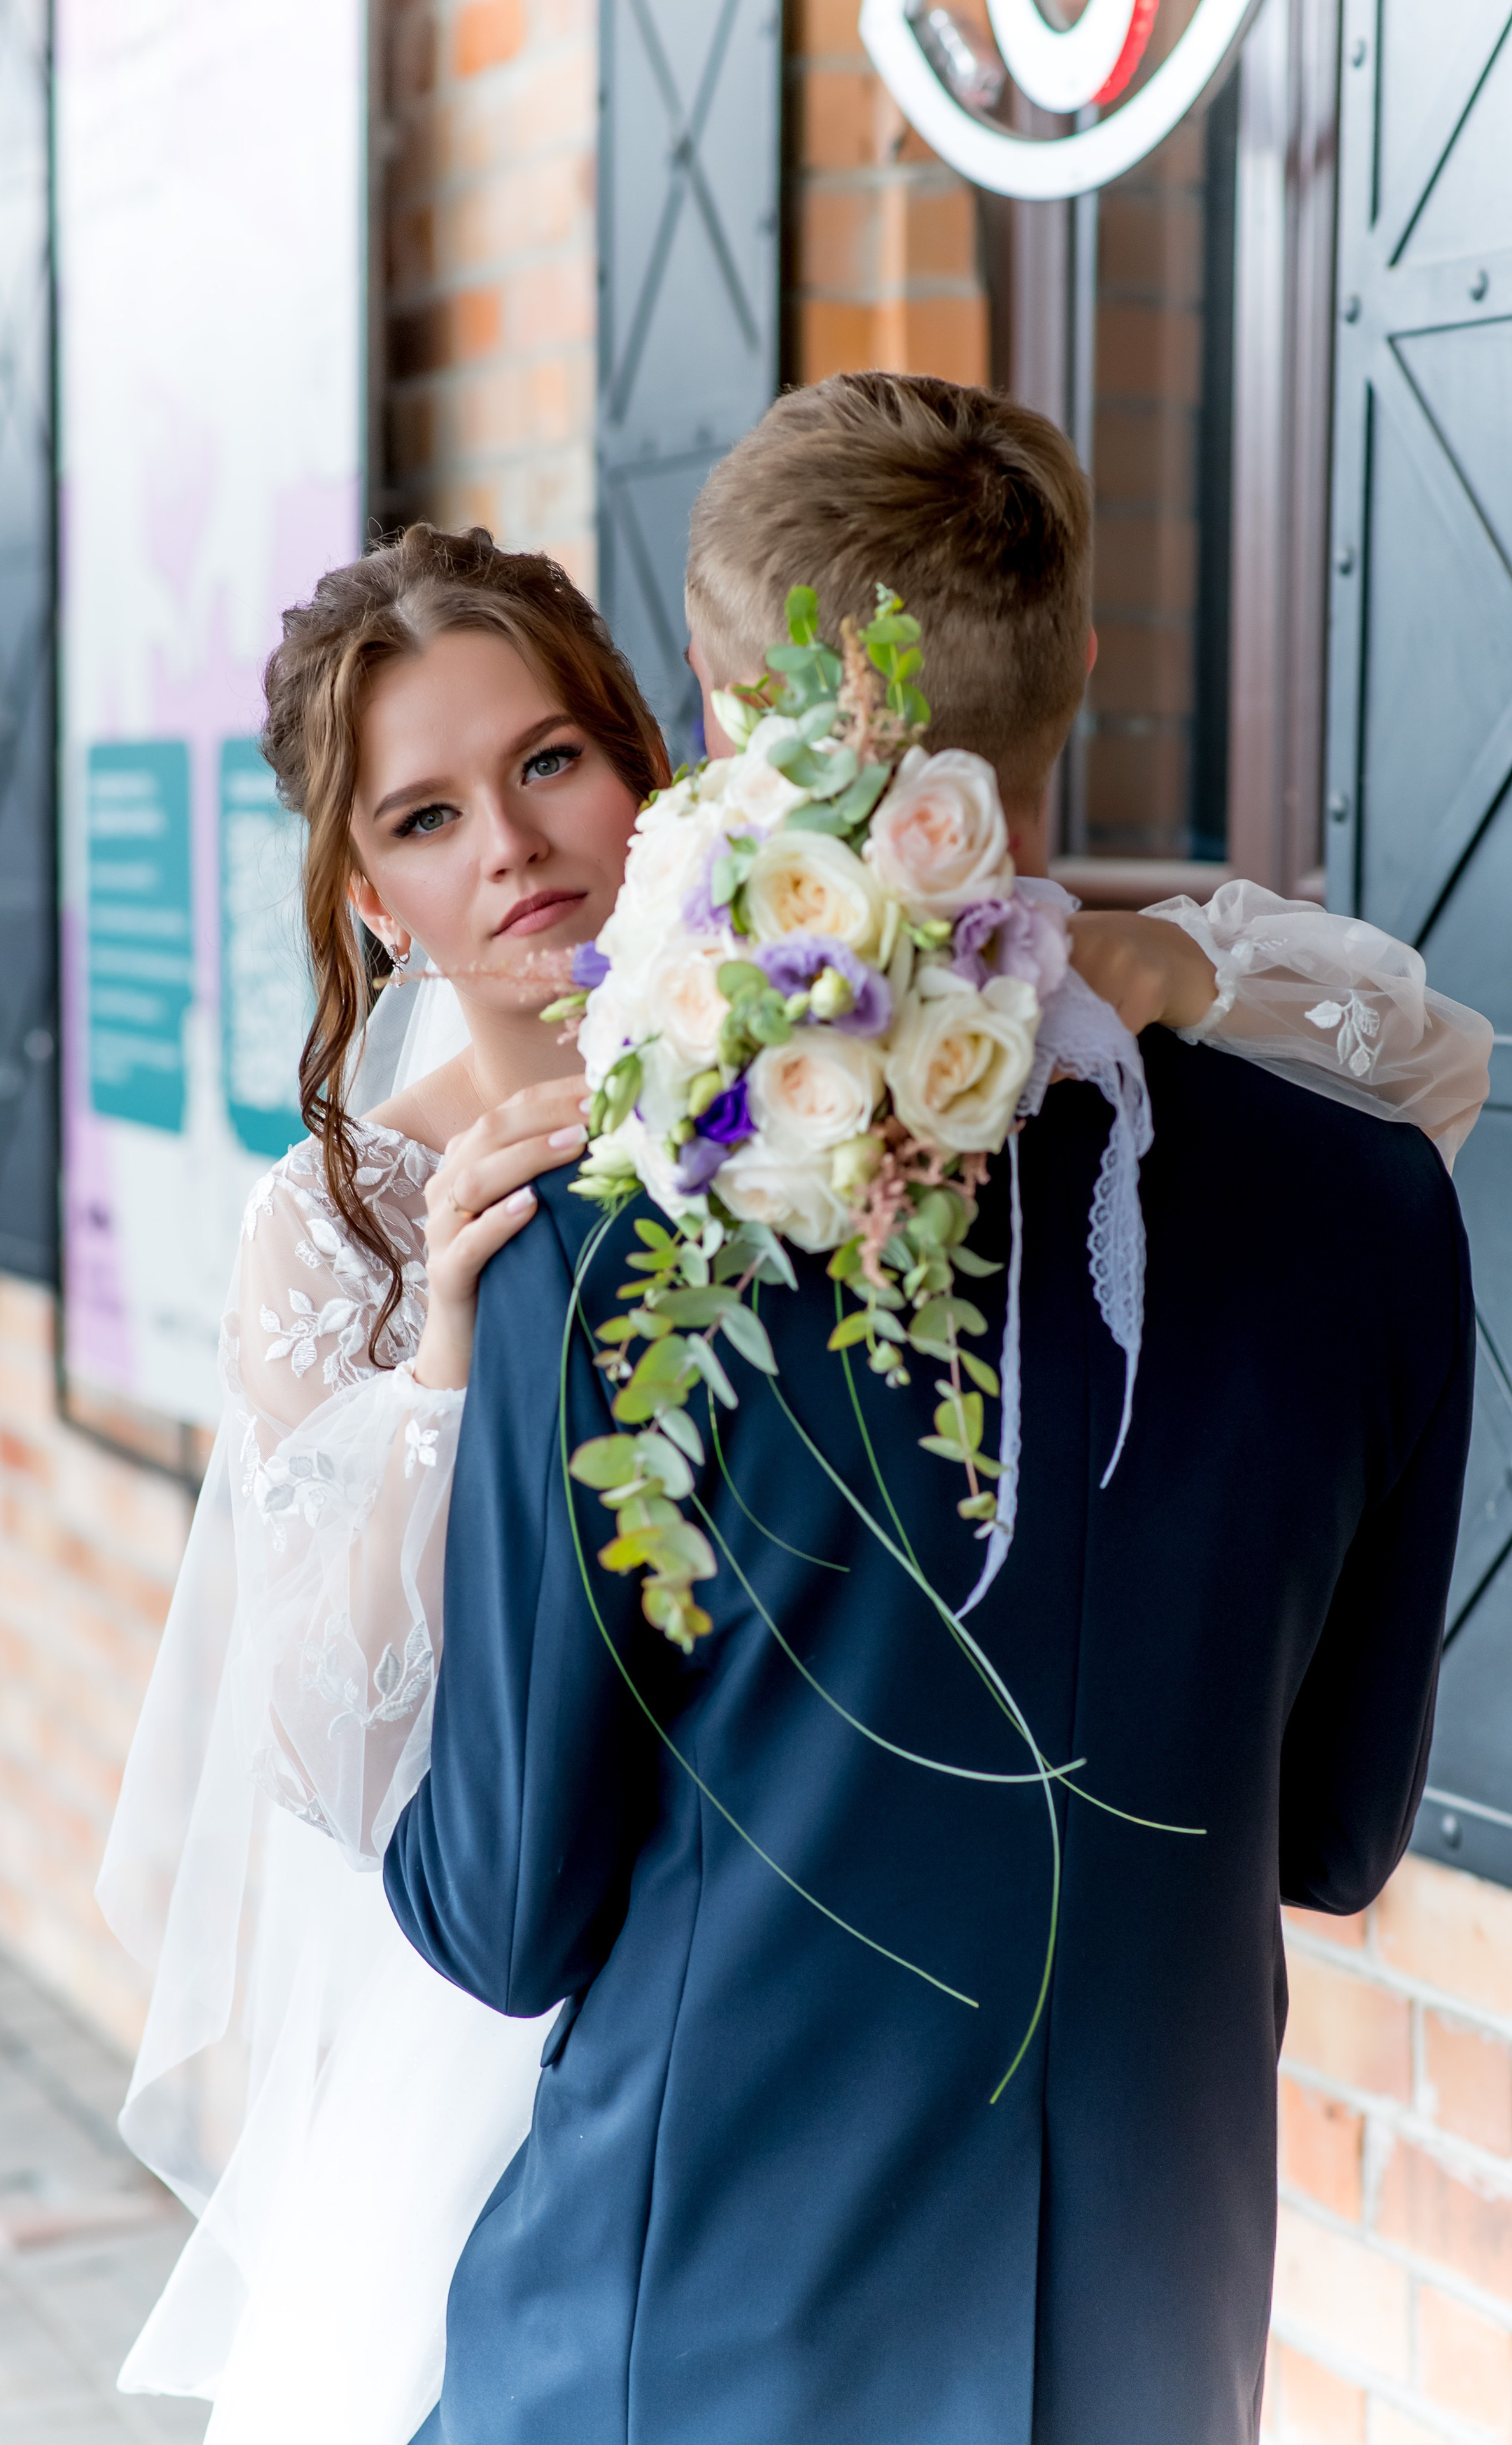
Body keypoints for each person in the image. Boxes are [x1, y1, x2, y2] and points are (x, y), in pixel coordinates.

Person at [99, 395, 1488, 2444]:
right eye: (423, 820)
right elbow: (1339, 1829)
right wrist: (441, 1381)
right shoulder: (1372, 1204)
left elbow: (501, 1908)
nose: (512, 849)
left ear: (692, 724)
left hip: (703, 2303)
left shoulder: (615, 1239)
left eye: (548, 764)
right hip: (1140, 2308)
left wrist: (1134, 964)